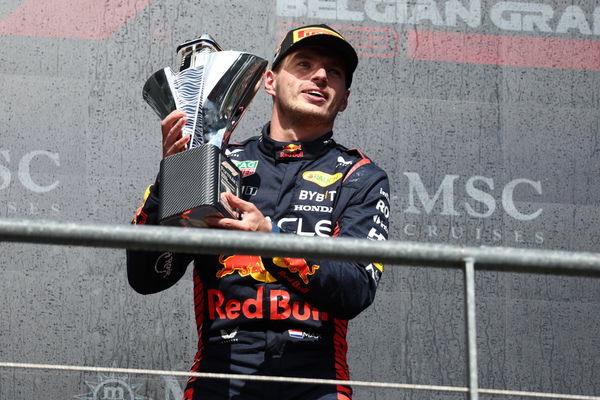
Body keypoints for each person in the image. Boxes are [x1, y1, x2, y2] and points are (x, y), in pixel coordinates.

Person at [127, 24, 390, 400]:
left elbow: (355, 290)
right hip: (220, 381)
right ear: (269, 80)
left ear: (344, 98)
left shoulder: (359, 176)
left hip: (316, 384)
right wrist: (172, 180)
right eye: (304, 64)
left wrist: (272, 241)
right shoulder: (214, 162)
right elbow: (149, 277)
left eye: (333, 72)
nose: (319, 76)